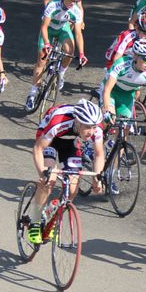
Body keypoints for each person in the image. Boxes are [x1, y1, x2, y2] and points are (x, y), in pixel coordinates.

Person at [27, 100, 106, 244]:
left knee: (72, 190)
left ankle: (52, 215)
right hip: (50, 140)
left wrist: (97, 179)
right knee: (49, 182)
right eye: (88, 127)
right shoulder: (59, 121)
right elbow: (38, 149)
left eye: (94, 127)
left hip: (70, 142)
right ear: (78, 122)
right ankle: (35, 220)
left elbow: (99, 154)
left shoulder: (96, 129)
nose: (92, 131)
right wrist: (43, 173)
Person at [24, 0, 88, 111]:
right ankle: (32, 94)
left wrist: (82, 53)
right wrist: (47, 43)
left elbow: (78, 33)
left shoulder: (76, 10)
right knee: (41, 60)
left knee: (70, 51)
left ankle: (61, 73)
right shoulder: (53, 5)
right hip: (49, 29)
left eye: (75, 0)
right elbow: (44, 27)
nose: (73, 3)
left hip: (63, 28)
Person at [101, 39, 146, 127]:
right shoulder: (121, 64)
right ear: (135, 56)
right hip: (111, 92)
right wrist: (106, 111)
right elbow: (107, 89)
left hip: (127, 94)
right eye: (145, 59)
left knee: (126, 126)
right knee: (108, 120)